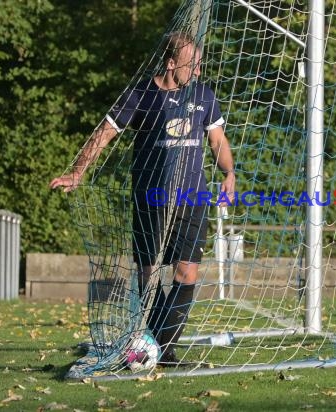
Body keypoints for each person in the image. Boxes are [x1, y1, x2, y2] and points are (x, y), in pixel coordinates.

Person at [49, 32, 236, 366]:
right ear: (169, 63)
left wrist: (229, 174)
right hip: (151, 200)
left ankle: (164, 349)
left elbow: (218, 140)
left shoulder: (204, 96)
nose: (197, 71)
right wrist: (77, 172)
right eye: (191, 65)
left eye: (199, 65)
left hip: (192, 199)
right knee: (148, 277)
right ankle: (161, 347)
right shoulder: (139, 96)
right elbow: (103, 134)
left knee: (187, 273)